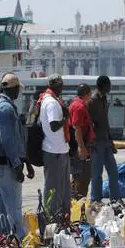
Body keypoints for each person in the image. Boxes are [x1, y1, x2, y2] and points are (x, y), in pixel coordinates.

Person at [0, 73, 33, 238]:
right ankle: (18, 238)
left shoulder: (5, 107)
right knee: (13, 204)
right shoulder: (6, 109)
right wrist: (17, 165)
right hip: (8, 163)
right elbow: (7, 140)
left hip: (6, 162)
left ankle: (4, 237)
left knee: (4, 203)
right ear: (14, 89)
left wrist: (26, 161)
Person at [39, 74, 72, 219]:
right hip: (54, 151)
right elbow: (53, 126)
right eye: (61, 85)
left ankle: (62, 218)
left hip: (59, 150)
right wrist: (65, 118)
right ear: (56, 85)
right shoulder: (51, 102)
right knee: (54, 189)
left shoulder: (51, 99)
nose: (62, 87)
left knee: (63, 189)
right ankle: (52, 219)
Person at [88, 76, 123, 204]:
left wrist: (111, 141)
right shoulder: (92, 101)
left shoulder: (104, 99)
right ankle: (96, 200)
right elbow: (88, 122)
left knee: (113, 171)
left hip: (106, 140)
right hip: (96, 142)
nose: (110, 87)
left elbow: (105, 121)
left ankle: (115, 199)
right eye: (109, 85)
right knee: (97, 173)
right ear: (103, 86)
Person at [69, 83, 94, 200]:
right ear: (87, 94)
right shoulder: (79, 107)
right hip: (79, 146)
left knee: (83, 176)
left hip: (83, 145)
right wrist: (81, 147)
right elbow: (77, 127)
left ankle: (78, 202)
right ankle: (76, 203)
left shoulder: (79, 105)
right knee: (80, 177)